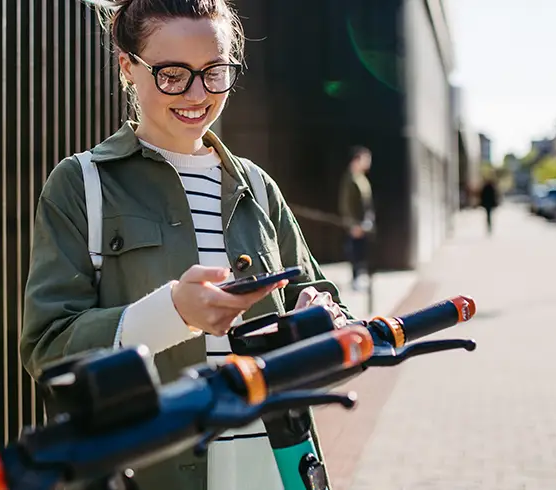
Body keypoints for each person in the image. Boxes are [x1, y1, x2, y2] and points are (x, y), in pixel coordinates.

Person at [20, 1, 353, 489]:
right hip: (153, 470)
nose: (198, 94)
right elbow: (48, 349)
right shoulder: (82, 184)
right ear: (127, 66)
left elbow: (329, 306)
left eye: (214, 72)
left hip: (278, 463)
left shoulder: (258, 187)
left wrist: (321, 318)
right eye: (172, 74)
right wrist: (174, 313)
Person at [338, 146, 375, 290]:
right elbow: (346, 203)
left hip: (364, 223)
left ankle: (360, 277)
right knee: (355, 251)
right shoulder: (350, 178)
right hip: (356, 224)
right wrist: (353, 224)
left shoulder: (361, 178)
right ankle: (356, 279)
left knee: (362, 251)